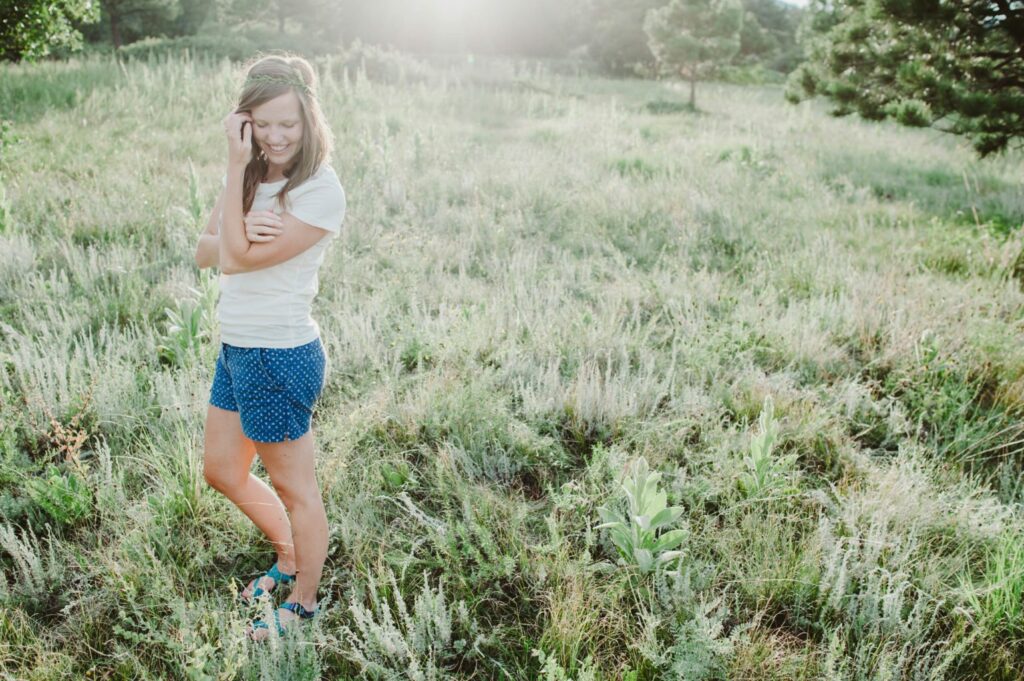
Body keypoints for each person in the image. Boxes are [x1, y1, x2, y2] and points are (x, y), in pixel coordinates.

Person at [193, 53, 345, 641]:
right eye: (263, 123)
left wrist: (235, 237)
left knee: (296, 489)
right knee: (222, 471)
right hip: (236, 348)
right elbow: (205, 250)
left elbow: (229, 256)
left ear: (310, 121)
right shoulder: (250, 174)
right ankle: (287, 556)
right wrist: (237, 172)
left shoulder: (319, 190)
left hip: (278, 355)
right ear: (244, 123)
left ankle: (303, 602)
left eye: (290, 123)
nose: (277, 136)